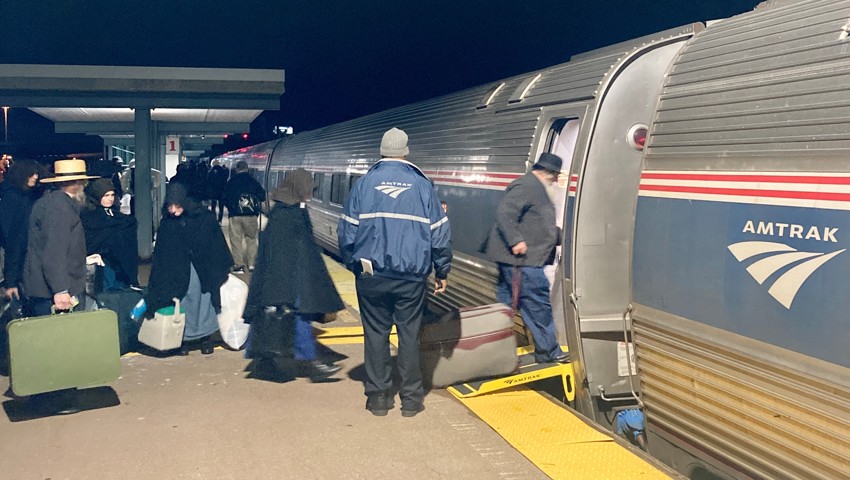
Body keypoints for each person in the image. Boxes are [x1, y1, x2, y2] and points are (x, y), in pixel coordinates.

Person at [338, 127, 452, 417]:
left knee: (375, 335)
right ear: (406, 151)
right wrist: (442, 270)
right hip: (411, 278)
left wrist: (354, 264)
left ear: (381, 150)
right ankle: (411, 401)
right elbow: (439, 234)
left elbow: (347, 232)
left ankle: (378, 399)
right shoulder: (423, 186)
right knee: (409, 336)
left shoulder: (364, 184)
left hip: (371, 276)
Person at [245, 169, 344, 382]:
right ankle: (311, 364)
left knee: (273, 322)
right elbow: (285, 255)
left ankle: (265, 363)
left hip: (286, 280)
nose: (310, 193)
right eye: (308, 189)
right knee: (298, 319)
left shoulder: (287, 211)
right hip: (286, 281)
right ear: (298, 188)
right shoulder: (286, 215)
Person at [484, 152, 567, 364]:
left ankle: (493, 351)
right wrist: (515, 241)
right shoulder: (525, 186)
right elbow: (504, 213)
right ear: (545, 172)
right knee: (537, 304)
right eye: (555, 176)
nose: (556, 180)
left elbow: (535, 222)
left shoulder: (535, 187)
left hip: (522, 259)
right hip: (521, 260)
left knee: (505, 305)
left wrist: (556, 236)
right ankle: (549, 352)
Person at [144, 183, 233, 355]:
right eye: (170, 206)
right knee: (183, 301)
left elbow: (214, 245)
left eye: (177, 206)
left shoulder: (204, 218)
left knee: (204, 301)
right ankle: (184, 338)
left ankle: (206, 337)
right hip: (179, 270)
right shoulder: (168, 223)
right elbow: (163, 251)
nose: (173, 211)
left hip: (203, 270)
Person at [22, 159, 99, 315]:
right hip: (54, 292)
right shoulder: (60, 208)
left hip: (47, 288)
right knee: (60, 337)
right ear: (79, 183)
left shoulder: (50, 202)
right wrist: (61, 289)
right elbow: (54, 251)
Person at [80, 178, 140, 292]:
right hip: (100, 266)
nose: (110, 199)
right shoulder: (89, 217)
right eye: (106, 195)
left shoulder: (117, 217)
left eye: (112, 195)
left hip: (119, 266)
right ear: (97, 195)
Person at [0, 160, 43, 301]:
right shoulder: (15, 198)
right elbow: (13, 237)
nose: (36, 176)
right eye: (32, 173)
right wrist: (11, 279)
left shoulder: (23, 196)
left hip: (17, 258)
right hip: (14, 259)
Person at [223, 160, 266, 274]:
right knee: (251, 239)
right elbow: (262, 196)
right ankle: (252, 264)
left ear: (237, 169)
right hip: (251, 216)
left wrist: (231, 208)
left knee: (236, 240)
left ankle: (239, 265)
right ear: (247, 169)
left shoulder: (231, 181)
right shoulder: (253, 181)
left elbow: (224, 197)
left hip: (235, 216)